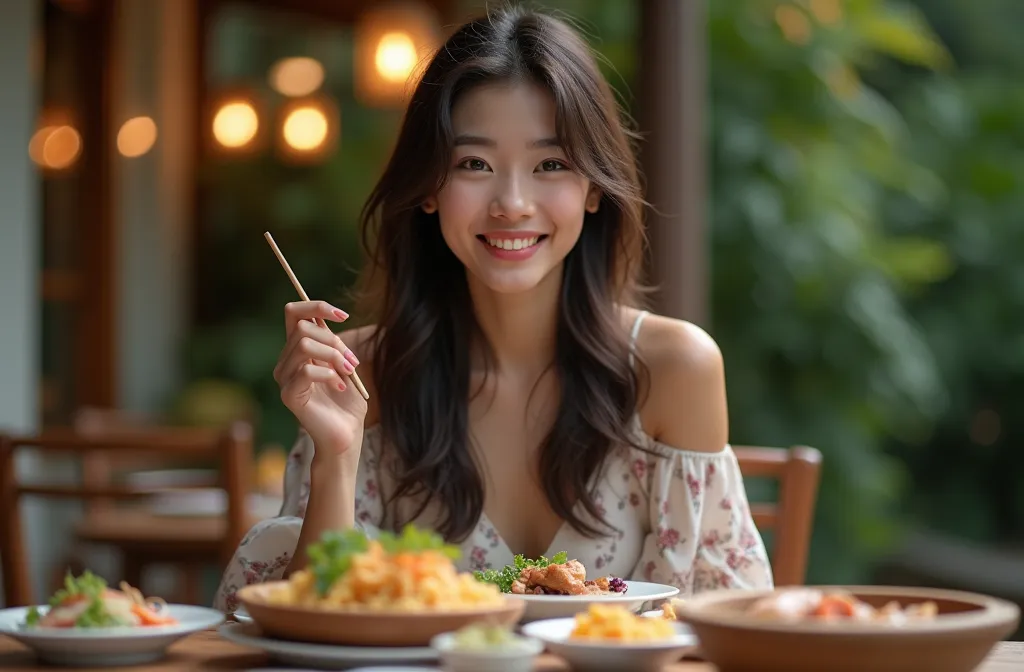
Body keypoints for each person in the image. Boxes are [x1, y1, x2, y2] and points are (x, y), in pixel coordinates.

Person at [214, 5, 772, 613]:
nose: (511, 202)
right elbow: (306, 629)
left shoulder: (672, 370)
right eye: (474, 164)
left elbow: (719, 626)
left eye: (550, 164)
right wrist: (337, 455)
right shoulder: (361, 371)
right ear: (429, 187)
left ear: (592, 189)